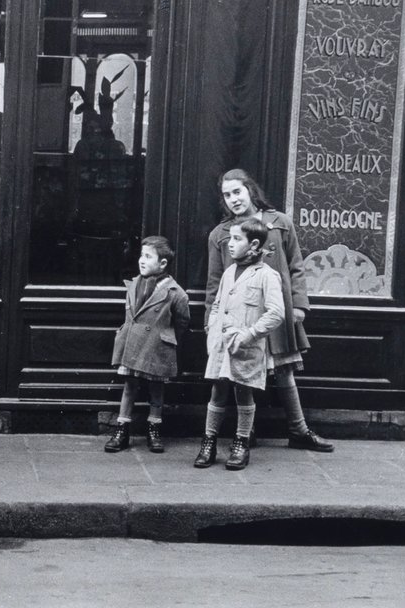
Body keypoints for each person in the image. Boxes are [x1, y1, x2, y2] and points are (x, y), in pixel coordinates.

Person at [206, 169, 334, 452]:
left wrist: (299, 305)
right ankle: (245, 434)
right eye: (227, 195)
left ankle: (298, 430)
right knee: (240, 375)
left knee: (285, 371)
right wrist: (211, 323)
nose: (234, 200)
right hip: (239, 317)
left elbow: (296, 266)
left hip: (277, 312)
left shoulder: (280, 223)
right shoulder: (221, 234)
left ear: (251, 190)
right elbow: (214, 282)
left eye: (238, 192)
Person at [195, 219, 284, 470]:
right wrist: (213, 332)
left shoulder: (267, 275)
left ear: (254, 244)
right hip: (222, 345)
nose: (230, 244)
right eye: (230, 238)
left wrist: (249, 335)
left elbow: (276, 313)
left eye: (237, 239)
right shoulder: (229, 272)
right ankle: (209, 442)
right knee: (217, 391)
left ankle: (241, 443)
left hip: (246, 346)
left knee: (244, 391)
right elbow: (216, 305)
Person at [103, 236, 191, 454]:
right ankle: (122, 429)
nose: (141, 260)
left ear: (162, 264)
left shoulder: (175, 292)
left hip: (156, 347)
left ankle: (154, 429)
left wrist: (165, 338)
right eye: (141, 255)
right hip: (132, 343)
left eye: (148, 256)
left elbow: (182, 321)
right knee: (130, 386)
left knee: (156, 389)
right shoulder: (133, 285)